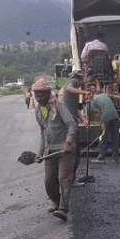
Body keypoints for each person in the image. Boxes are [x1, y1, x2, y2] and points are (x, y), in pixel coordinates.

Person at [31, 76, 78, 221]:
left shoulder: (59, 105)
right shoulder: (39, 111)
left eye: (41, 95)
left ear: (47, 94)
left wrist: (68, 142)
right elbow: (43, 132)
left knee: (63, 178)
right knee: (49, 180)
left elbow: (72, 125)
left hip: (65, 150)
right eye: (36, 95)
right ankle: (56, 201)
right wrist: (39, 153)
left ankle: (63, 209)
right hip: (50, 151)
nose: (38, 98)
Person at [60, 71, 92, 187]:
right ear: (80, 78)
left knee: (74, 153)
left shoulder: (74, 91)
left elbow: (75, 109)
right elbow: (68, 88)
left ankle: (69, 179)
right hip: (70, 125)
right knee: (74, 153)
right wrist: (84, 92)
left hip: (71, 122)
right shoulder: (73, 82)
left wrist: (83, 119)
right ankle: (70, 180)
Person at [90, 88, 120, 163]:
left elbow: (98, 113)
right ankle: (115, 158)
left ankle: (101, 158)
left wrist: (101, 121)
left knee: (102, 136)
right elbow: (119, 97)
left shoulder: (92, 102)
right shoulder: (104, 94)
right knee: (115, 137)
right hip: (115, 116)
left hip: (106, 118)